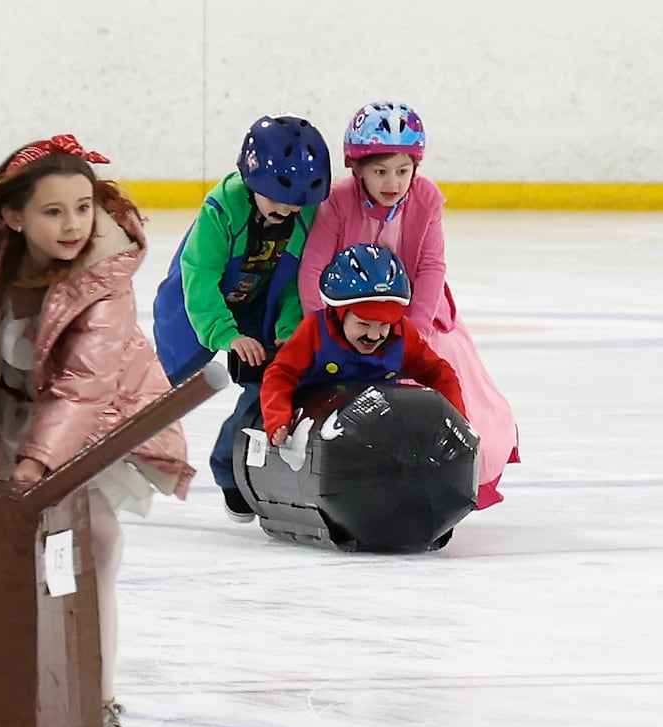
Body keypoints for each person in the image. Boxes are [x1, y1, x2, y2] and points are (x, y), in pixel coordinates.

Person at [0, 134, 194, 727]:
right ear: (14, 217)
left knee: (96, 541)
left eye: (84, 208)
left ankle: (99, 705)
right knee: (0, 553)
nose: (74, 226)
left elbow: (83, 387)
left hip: (93, 423)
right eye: (54, 211)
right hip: (7, 419)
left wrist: (37, 466)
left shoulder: (105, 274)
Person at [298, 101, 518, 508]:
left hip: (417, 317)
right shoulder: (338, 201)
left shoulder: (427, 198)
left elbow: (432, 266)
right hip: (351, 321)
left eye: (403, 170)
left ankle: (446, 473)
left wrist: (414, 331)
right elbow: (313, 268)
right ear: (357, 168)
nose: (393, 182)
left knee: (438, 372)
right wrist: (321, 329)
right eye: (380, 171)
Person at [151, 115, 332, 523]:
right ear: (252, 182)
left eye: (298, 202)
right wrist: (225, 334)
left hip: (258, 306)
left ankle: (229, 469)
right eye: (279, 198)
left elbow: (294, 281)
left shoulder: (304, 213)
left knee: (272, 380)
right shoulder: (221, 208)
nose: (289, 209)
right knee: (162, 386)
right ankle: (111, 445)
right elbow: (199, 276)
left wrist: (288, 329)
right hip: (194, 305)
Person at [261, 243, 466, 445]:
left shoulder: (404, 333)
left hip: (377, 423)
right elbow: (281, 375)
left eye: (384, 324)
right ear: (339, 314)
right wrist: (278, 419)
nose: (374, 335)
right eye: (363, 324)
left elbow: (439, 372)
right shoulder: (314, 330)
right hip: (319, 416)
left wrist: (457, 423)